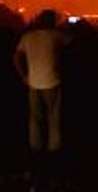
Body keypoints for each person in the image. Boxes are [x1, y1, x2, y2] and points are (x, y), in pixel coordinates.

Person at [13, 9, 71, 154]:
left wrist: (23, 76)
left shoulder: (27, 37)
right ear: (52, 22)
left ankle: (35, 149)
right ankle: (54, 150)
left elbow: (16, 57)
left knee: (35, 119)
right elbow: (72, 41)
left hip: (33, 83)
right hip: (52, 82)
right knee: (54, 117)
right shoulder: (56, 35)